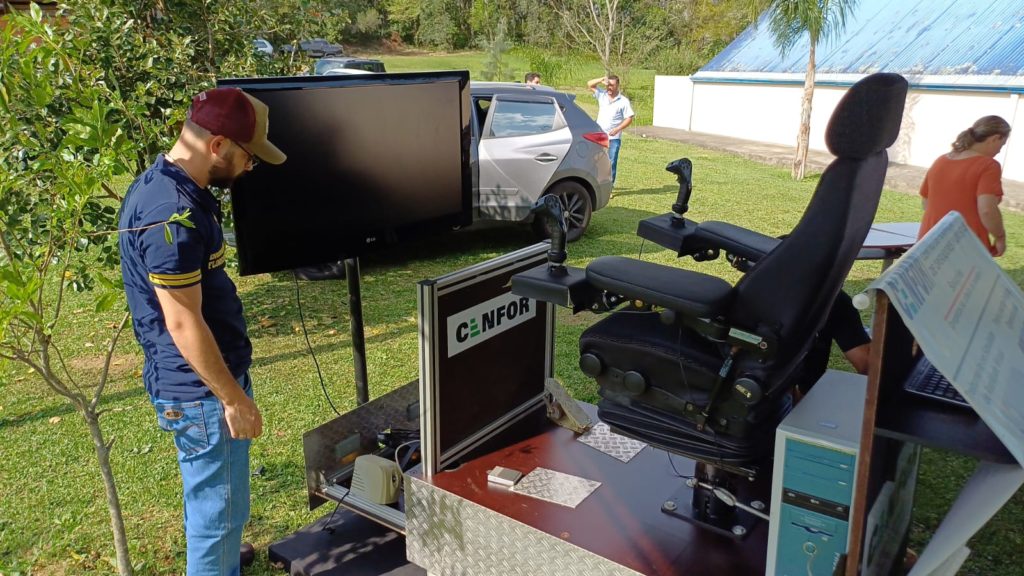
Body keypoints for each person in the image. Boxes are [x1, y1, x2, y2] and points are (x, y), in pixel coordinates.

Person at [118, 87, 286, 575]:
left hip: (198, 388)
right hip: (203, 395)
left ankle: (222, 555)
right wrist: (233, 399)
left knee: (215, 503)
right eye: (248, 157)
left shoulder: (168, 184)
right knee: (218, 514)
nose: (249, 168)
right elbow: (182, 320)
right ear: (217, 145)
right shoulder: (172, 216)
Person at [919, 115, 1011, 256]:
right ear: (994, 138)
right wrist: (1000, 237)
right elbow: (987, 210)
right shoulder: (988, 166)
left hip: (929, 242)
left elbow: (926, 202)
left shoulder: (941, 160)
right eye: (1002, 144)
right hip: (964, 247)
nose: (999, 150)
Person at [587, 74, 635, 184]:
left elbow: (629, 118)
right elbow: (589, 84)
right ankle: (595, 184)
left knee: (611, 162)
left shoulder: (623, 101)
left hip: (614, 138)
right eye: (608, 85)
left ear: (617, 85)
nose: (609, 87)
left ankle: (609, 187)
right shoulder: (602, 95)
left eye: (612, 85)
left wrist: (618, 129)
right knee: (595, 161)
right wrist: (601, 79)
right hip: (599, 136)